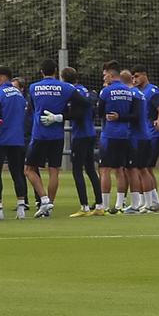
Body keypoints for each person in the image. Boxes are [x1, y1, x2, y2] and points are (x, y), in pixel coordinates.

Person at [22, 62, 81, 218]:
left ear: (41, 71)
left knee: (28, 169)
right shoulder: (67, 88)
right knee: (54, 170)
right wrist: (62, 116)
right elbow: (82, 105)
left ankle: (44, 199)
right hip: (57, 134)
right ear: (56, 71)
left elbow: (32, 109)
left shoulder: (34, 87)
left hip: (39, 134)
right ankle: (49, 207)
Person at [0, 67, 31, 219]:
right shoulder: (19, 94)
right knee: (17, 173)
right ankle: (21, 208)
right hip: (17, 139)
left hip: (1, 139)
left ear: (4, 77)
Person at [98, 65, 143, 215]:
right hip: (126, 135)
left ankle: (104, 205)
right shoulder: (130, 92)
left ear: (111, 75)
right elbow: (135, 115)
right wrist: (122, 117)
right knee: (122, 170)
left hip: (109, 135)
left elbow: (99, 112)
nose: (104, 77)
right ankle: (121, 204)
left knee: (104, 170)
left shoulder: (106, 91)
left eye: (105, 75)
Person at [63, 67, 103, 217]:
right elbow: (91, 111)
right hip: (90, 132)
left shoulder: (72, 92)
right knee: (91, 169)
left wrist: (62, 116)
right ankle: (99, 205)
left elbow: (77, 114)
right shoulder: (85, 90)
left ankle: (84, 207)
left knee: (77, 170)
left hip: (80, 135)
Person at [132, 67, 159, 212]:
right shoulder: (139, 92)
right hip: (146, 132)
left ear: (145, 75)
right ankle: (152, 200)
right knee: (146, 168)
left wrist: (158, 120)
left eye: (137, 76)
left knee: (145, 168)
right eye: (133, 77)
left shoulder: (152, 91)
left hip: (154, 133)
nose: (135, 79)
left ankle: (152, 201)